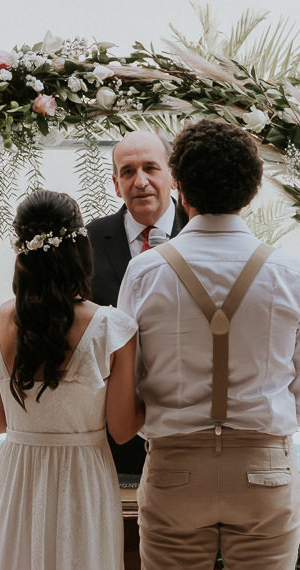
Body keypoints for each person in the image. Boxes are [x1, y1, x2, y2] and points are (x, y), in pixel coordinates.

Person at [118, 119, 300, 570]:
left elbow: (125, 383)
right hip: (265, 470)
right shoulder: (291, 273)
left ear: (180, 188)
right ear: (251, 192)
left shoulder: (145, 272)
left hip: (174, 470)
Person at [0, 190, 142, 570]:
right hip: (83, 478)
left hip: (18, 476)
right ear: (80, 248)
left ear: (21, 251)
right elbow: (121, 430)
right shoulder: (111, 328)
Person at [87, 130, 181, 478]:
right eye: (128, 172)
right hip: (113, 435)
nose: (140, 181)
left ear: (172, 176)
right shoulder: (91, 241)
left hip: (188, 427)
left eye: (151, 168)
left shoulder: (204, 232)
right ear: (115, 184)